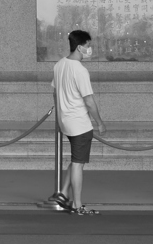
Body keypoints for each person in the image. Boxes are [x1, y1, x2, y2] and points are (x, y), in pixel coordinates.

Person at [52, 29, 107, 216]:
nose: (89, 49)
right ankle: (77, 205)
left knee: (76, 159)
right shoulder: (80, 70)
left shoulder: (59, 65)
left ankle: (64, 193)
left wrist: (61, 114)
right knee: (78, 164)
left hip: (65, 121)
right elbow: (89, 100)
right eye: (87, 46)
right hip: (79, 123)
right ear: (79, 47)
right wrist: (99, 122)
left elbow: (55, 92)